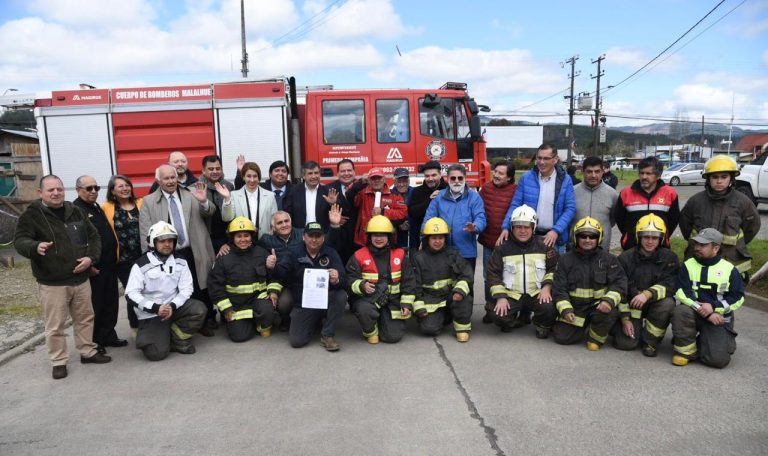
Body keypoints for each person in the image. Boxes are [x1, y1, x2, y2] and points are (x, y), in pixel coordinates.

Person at [14, 175, 111, 379]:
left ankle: (87, 351)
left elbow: (93, 237)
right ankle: (58, 361)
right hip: (53, 282)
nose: (56, 193)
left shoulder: (75, 211)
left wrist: (90, 259)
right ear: (40, 193)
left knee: (85, 318)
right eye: (50, 190)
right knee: (55, 325)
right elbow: (20, 240)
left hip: (81, 279)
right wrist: (34, 246)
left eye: (59, 189)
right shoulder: (32, 215)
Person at [140, 164, 217, 336]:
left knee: (199, 286)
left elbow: (210, 212)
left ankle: (203, 321)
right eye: (166, 178)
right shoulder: (149, 201)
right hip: (168, 254)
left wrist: (204, 201)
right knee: (175, 289)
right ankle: (181, 322)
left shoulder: (191, 193)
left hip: (193, 249)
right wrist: (150, 258)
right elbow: (145, 231)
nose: (170, 181)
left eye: (173, 177)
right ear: (158, 180)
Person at [125, 222, 207, 360]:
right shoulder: (140, 265)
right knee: (155, 354)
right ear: (153, 242)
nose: (167, 244)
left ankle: (176, 340)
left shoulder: (181, 261)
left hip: (173, 308)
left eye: (170, 241)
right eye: (162, 241)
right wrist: (156, 308)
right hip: (151, 314)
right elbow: (130, 294)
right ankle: (155, 334)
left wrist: (172, 306)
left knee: (199, 309)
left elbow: (187, 288)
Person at [671, 228, 744, 368]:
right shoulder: (688, 265)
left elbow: (738, 297)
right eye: (696, 244)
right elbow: (681, 292)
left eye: (703, 245)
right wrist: (702, 309)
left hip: (718, 317)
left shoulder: (729, 270)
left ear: (716, 248)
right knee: (680, 311)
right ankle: (686, 352)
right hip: (695, 312)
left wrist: (715, 308)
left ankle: (708, 342)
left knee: (717, 361)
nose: (697, 248)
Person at [551, 217, 626, 350]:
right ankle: (584, 326)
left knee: (610, 313)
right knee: (562, 338)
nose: (587, 240)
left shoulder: (609, 259)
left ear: (599, 238)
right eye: (583, 236)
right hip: (575, 308)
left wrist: (608, 301)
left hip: (599, 307)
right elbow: (559, 288)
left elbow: (619, 283)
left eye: (592, 237)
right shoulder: (565, 260)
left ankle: (595, 337)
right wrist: (566, 310)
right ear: (576, 237)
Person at [679, 155, 760, 277]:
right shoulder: (695, 201)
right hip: (699, 258)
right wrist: (700, 245)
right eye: (715, 177)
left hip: (730, 260)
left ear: (731, 178)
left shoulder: (743, 202)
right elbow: (685, 225)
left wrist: (738, 244)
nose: (719, 181)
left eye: (724, 177)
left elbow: (752, 227)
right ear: (708, 178)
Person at [486, 205, 558, 338]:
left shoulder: (544, 246)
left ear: (533, 227)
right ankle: (512, 319)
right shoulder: (502, 248)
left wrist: (547, 287)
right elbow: (493, 274)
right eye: (518, 227)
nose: (522, 231)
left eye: (526, 227)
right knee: (496, 315)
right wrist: (501, 297)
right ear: (512, 228)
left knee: (549, 307)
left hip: (537, 293)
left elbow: (554, 268)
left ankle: (541, 324)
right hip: (512, 295)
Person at [612, 214, 679, 356]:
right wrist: (625, 319)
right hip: (631, 306)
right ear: (638, 237)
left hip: (655, 303)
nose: (650, 241)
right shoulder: (625, 258)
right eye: (646, 237)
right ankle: (626, 329)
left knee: (668, 304)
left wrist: (647, 294)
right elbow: (620, 288)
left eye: (654, 238)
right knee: (625, 345)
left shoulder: (669, 258)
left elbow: (670, 284)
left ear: (661, 238)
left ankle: (651, 341)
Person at [72, 175, 126, 352]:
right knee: (96, 306)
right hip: (95, 268)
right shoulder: (76, 210)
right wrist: (89, 264)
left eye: (96, 188)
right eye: (89, 188)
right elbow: (77, 241)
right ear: (78, 190)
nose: (94, 191)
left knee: (111, 303)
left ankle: (108, 335)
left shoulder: (95, 207)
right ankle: (96, 341)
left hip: (110, 265)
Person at [276, 221, 347, 351]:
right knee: (297, 341)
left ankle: (327, 334)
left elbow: (344, 281)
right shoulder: (293, 252)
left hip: (325, 300)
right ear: (304, 237)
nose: (314, 239)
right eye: (310, 236)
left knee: (341, 295)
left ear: (323, 237)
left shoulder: (331, 253)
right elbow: (282, 274)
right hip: (303, 302)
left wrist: (337, 279)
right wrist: (273, 266)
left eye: (318, 236)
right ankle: (313, 320)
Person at [208, 217, 282, 342]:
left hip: (259, 300)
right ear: (232, 238)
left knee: (267, 310)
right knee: (239, 337)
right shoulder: (223, 258)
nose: (243, 239)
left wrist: (273, 292)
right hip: (236, 305)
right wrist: (226, 309)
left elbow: (274, 277)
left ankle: (262, 324)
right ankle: (247, 322)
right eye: (239, 236)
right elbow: (215, 287)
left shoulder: (261, 253)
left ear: (252, 236)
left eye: (246, 235)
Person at [346, 215, 416, 344]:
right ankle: (370, 331)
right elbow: (349, 279)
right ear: (369, 237)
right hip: (369, 300)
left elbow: (409, 282)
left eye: (383, 235)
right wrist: (361, 285)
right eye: (375, 235)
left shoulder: (400, 255)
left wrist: (406, 304)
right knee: (364, 309)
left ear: (389, 237)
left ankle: (384, 322)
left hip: (393, 301)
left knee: (392, 337)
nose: (378, 238)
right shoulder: (359, 255)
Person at [499, 144, 576, 254]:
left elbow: (570, 208)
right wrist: (506, 226)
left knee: (556, 271)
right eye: (539, 158)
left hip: (554, 239)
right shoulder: (526, 178)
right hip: (529, 238)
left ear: (555, 159)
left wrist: (556, 231)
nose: (541, 162)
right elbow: (515, 205)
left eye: (546, 158)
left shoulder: (565, 180)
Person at [410, 217, 474, 342]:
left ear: (445, 239)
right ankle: (442, 317)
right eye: (434, 238)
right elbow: (414, 285)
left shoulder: (453, 254)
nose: (437, 241)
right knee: (429, 330)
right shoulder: (418, 258)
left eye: (440, 238)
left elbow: (466, 274)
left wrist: (459, 291)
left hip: (451, 296)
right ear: (427, 239)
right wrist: (419, 308)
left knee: (465, 298)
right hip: (430, 300)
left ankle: (462, 330)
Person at [423, 164, 487, 271]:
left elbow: (481, 217)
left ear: (465, 179)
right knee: (445, 286)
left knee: (466, 285)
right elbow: (428, 219)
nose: (456, 181)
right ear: (447, 179)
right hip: (442, 251)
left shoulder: (474, 197)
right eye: (453, 178)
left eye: (460, 178)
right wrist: (423, 239)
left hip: (466, 252)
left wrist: (475, 226)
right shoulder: (439, 196)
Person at [102, 175, 143, 330]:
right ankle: (136, 327)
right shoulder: (106, 207)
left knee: (147, 291)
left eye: (127, 185)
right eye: (120, 186)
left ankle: (149, 324)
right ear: (112, 191)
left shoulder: (140, 202)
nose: (125, 188)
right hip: (123, 261)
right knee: (132, 292)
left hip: (143, 257)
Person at [478, 159, 517, 323]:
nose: (496, 175)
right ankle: (490, 308)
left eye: (501, 173)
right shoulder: (485, 189)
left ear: (509, 177)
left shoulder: (516, 190)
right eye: (495, 171)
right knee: (489, 277)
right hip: (489, 242)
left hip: (509, 244)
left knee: (509, 278)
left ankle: (510, 310)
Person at [615, 156, 679, 250]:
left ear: (658, 175)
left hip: (660, 247)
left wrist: (663, 236)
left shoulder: (670, 193)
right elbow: (619, 218)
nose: (644, 177)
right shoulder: (626, 193)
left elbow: (674, 220)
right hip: (632, 247)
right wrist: (629, 235)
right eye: (641, 173)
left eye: (649, 173)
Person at [346, 167, 408, 249]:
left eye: (379, 178)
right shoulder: (362, 193)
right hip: (363, 240)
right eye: (373, 178)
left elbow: (403, 213)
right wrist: (361, 182)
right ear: (369, 180)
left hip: (387, 241)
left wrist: (383, 212)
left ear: (384, 179)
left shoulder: (394, 195)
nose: (376, 181)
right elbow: (349, 194)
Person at [219, 162, 277, 240]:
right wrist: (227, 199)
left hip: (264, 242)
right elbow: (226, 218)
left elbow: (275, 220)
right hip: (242, 242)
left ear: (259, 178)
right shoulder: (233, 195)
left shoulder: (270, 196)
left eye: (255, 176)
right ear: (243, 177)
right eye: (248, 176)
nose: (252, 180)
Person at [573, 156, 618, 251]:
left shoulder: (612, 194)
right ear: (582, 171)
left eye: (597, 171)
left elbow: (613, 219)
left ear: (603, 172)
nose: (593, 175)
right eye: (589, 171)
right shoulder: (572, 192)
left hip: (602, 249)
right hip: (575, 250)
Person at [283, 160, 338, 230]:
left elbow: (338, 213)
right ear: (303, 176)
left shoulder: (328, 191)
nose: (314, 176)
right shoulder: (293, 191)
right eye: (310, 173)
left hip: (322, 234)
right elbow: (287, 213)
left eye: (316, 173)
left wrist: (332, 204)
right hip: (300, 234)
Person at [197, 155, 234, 252]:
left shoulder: (229, 186)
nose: (215, 171)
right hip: (205, 238)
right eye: (210, 169)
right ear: (203, 170)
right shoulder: (196, 188)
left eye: (218, 168)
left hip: (226, 238)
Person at [408, 160, 447, 246]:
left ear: (440, 175)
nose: (430, 179)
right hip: (423, 240)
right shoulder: (417, 191)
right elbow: (413, 212)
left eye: (433, 175)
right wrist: (430, 200)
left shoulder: (448, 190)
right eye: (427, 176)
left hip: (445, 239)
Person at [326, 158, 357, 264]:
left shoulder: (363, 187)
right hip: (338, 241)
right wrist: (334, 220)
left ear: (354, 172)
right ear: (338, 173)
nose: (346, 173)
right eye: (343, 171)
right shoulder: (328, 188)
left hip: (357, 239)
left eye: (349, 170)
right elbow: (321, 211)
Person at [390, 167, 415, 248]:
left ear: (408, 181)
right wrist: (398, 224)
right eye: (399, 181)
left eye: (404, 181)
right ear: (394, 181)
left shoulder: (415, 192)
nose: (401, 184)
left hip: (412, 235)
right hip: (395, 235)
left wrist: (410, 223)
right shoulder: (389, 195)